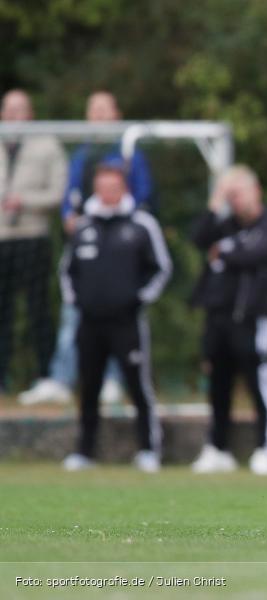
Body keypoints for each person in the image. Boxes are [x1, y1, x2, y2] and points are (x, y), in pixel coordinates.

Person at [20, 90, 153, 406]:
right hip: (88, 250)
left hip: (119, 256)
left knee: (120, 321)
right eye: (93, 111)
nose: (99, 117)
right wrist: (69, 216)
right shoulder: (82, 154)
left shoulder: (130, 152)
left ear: (117, 114)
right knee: (73, 319)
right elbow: (70, 197)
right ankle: (62, 379)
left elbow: (144, 201)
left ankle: (114, 379)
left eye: (105, 110)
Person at [59, 161, 171, 472]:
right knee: (89, 386)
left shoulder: (142, 224)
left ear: (124, 189)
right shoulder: (82, 226)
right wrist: (76, 302)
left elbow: (161, 268)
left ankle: (149, 449)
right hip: (89, 322)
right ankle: (84, 451)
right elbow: (67, 271)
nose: (108, 193)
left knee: (138, 384)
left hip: (127, 322)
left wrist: (137, 300)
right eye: (103, 187)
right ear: (96, 189)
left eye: (114, 187)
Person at [188, 165, 267, 476]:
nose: (235, 201)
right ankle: (217, 447)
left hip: (254, 320)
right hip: (219, 319)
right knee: (218, 384)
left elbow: (253, 254)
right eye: (230, 195)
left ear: (255, 191)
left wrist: (224, 253)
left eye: (237, 193)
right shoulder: (225, 224)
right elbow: (199, 238)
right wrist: (215, 202)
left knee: (259, 383)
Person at [0, 89, 67, 395]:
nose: (14, 116)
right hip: (2, 238)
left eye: (20, 110)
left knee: (38, 308)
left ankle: (46, 376)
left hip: (33, 235)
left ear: (31, 113)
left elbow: (57, 193)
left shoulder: (47, 145)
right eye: (8, 110)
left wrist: (23, 201)